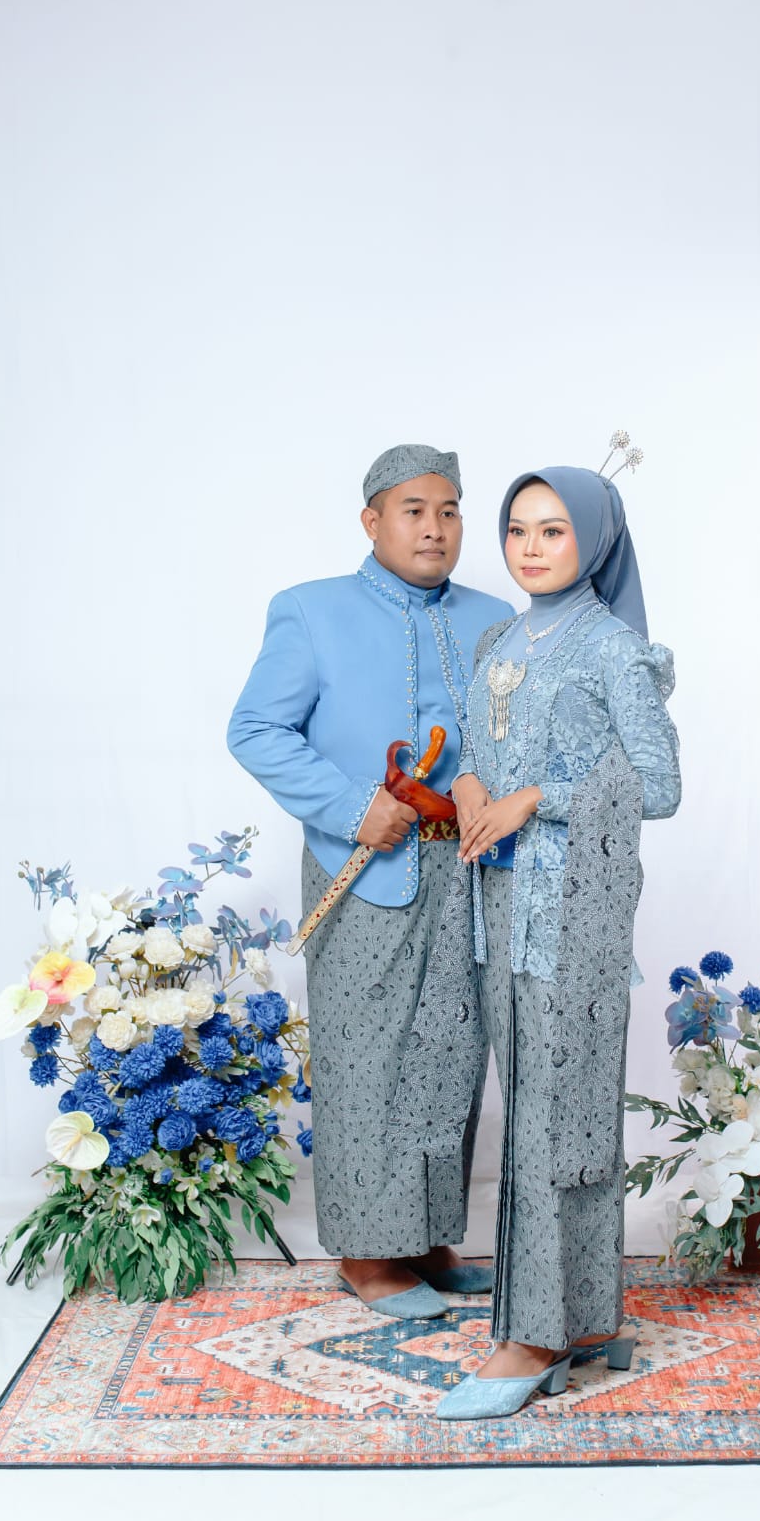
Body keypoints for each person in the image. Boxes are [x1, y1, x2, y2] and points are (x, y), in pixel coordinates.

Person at [227, 444, 512, 1320]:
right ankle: (365, 1253)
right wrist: (356, 807)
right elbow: (256, 730)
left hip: (470, 870)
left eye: (449, 511)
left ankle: (426, 1239)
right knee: (367, 1056)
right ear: (372, 521)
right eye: (414, 510)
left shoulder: (496, 618)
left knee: (450, 1056)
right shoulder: (310, 610)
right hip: (366, 870)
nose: (434, 528)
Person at [432, 464, 681, 1418]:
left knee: (555, 1120)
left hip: (574, 918)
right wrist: (468, 787)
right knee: (534, 1110)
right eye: (517, 530)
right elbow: (474, 749)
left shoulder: (615, 650)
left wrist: (536, 798)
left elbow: (658, 785)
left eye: (553, 530)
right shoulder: (499, 639)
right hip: (498, 913)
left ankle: (531, 1340)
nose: (530, 548)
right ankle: (580, 1316)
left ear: (595, 540)